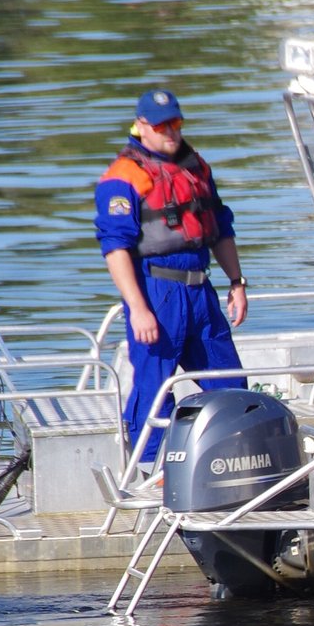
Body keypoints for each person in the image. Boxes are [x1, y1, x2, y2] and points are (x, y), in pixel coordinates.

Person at [95, 89, 248, 463]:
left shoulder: (196, 167)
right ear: (142, 125)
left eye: (176, 123)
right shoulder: (122, 179)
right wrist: (138, 308)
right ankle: (146, 474)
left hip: (201, 292)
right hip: (157, 293)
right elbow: (115, 250)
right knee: (155, 391)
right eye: (163, 125)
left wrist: (236, 282)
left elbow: (221, 229)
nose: (171, 132)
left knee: (231, 384)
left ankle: (230, 464)